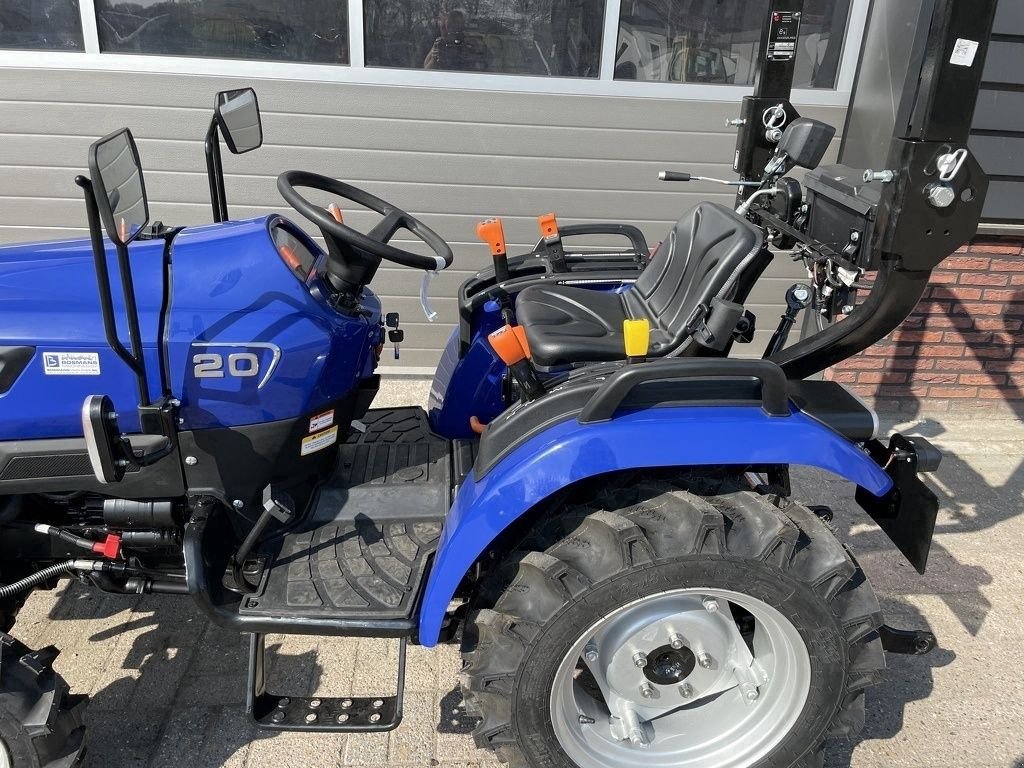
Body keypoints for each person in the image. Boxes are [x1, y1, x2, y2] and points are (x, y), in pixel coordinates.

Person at [422, 7, 486, 71]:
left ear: (463, 25)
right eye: (450, 24)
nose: (454, 26)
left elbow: (484, 69)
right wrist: (434, 59)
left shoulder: (471, 41)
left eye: (457, 22)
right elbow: (426, 70)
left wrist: (474, 54)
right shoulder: (440, 43)